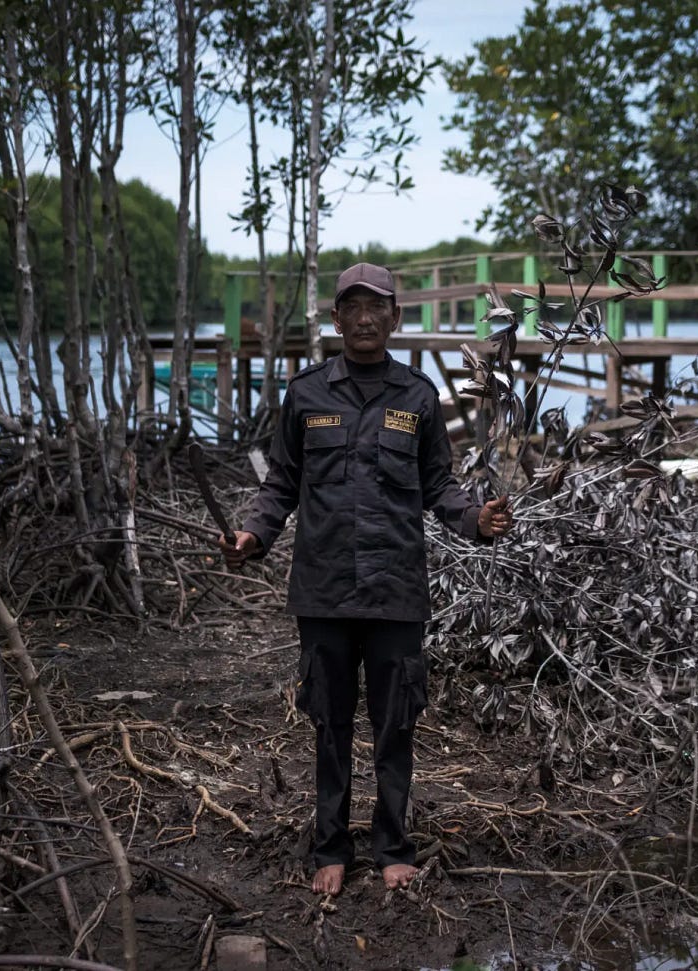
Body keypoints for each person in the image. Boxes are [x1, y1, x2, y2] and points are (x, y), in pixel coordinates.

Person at [219, 262, 512, 896]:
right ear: (336, 319)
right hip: (323, 589)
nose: (365, 318)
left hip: (396, 590)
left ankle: (392, 847)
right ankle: (331, 846)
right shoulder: (306, 394)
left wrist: (476, 519)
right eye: (352, 307)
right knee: (329, 721)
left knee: (395, 722)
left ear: (395, 318)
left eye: (377, 307)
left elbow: (440, 487)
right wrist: (253, 535)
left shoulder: (418, 396)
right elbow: (281, 485)